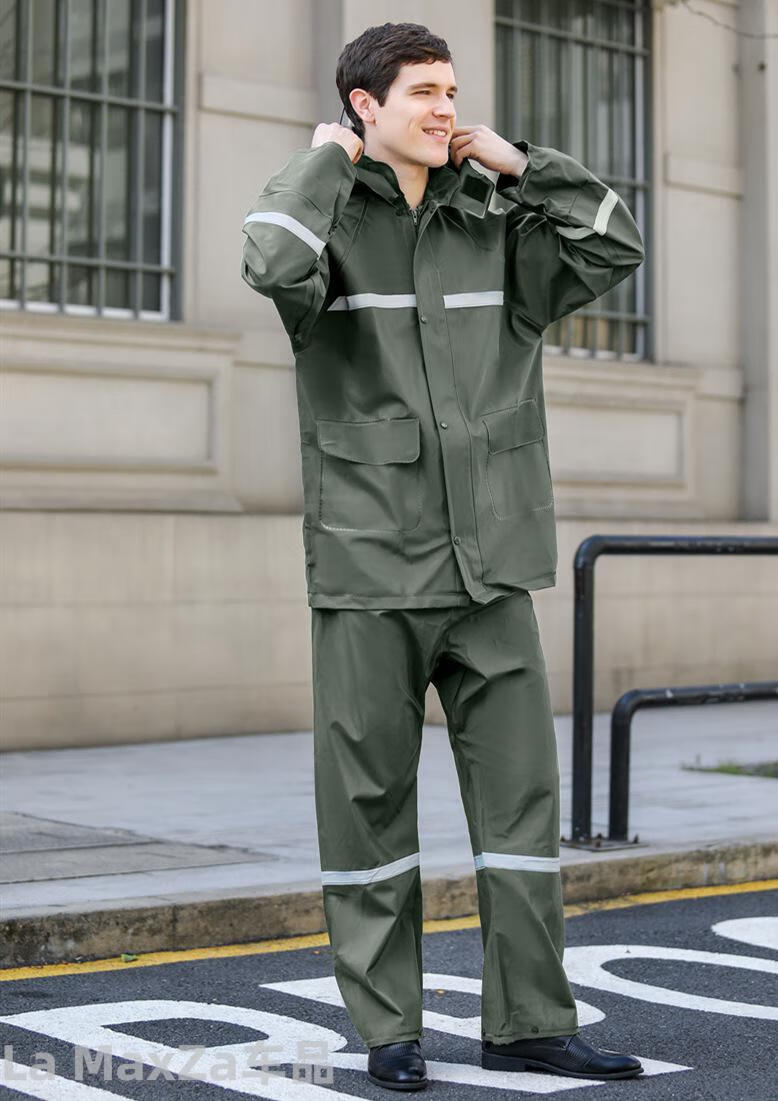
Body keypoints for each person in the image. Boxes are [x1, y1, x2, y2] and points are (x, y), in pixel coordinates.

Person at [241, 20, 645, 1093]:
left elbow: (614, 246)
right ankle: (391, 1029)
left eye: (451, 91)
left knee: (521, 813)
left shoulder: (495, 223)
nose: (444, 108)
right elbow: (266, 258)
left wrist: (523, 166)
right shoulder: (326, 220)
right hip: (372, 564)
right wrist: (327, 156)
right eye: (422, 91)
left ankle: (529, 1021)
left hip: (491, 568)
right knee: (369, 812)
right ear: (365, 103)